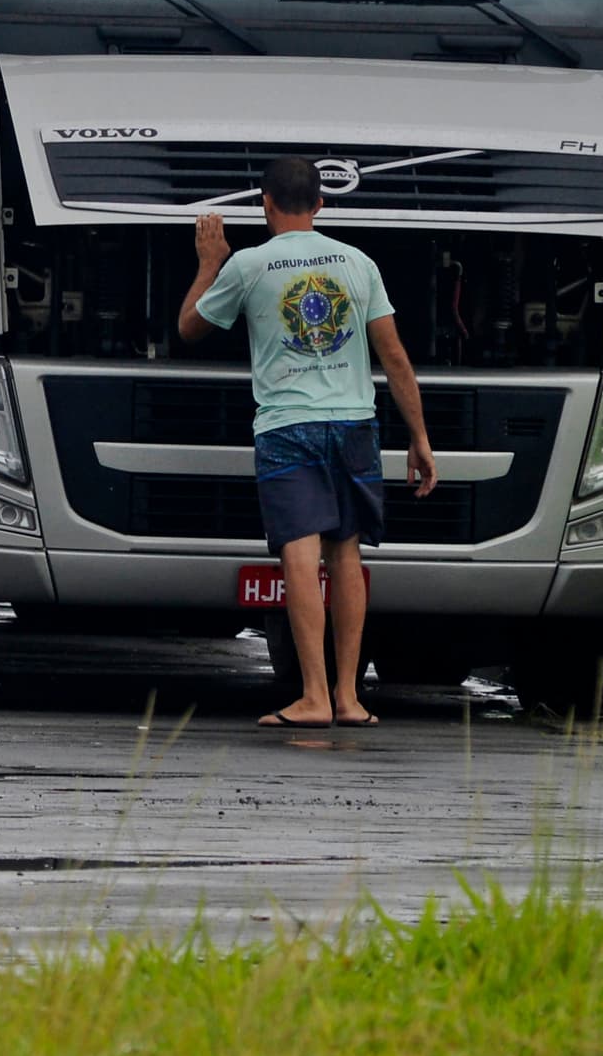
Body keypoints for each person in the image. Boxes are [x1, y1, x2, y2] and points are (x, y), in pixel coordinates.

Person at [178, 152, 437, 730]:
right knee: (346, 554)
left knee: (300, 555)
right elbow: (394, 356)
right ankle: (349, 697)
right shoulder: (358, 263)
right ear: (320, 204)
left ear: (265, 203)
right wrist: (419, 436)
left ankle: (313, 696)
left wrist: (210, 262)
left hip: (287, 427)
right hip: (354, 425)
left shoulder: (249, 265)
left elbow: (189, 328)